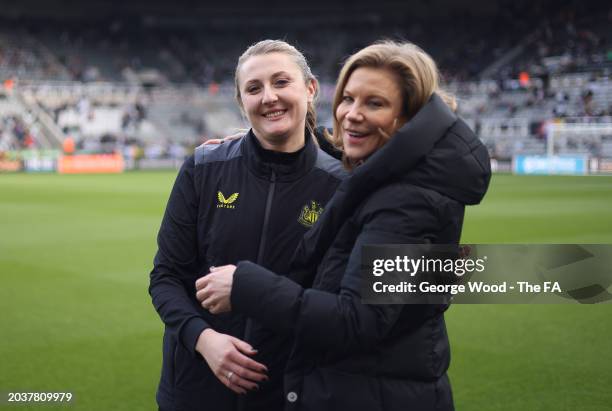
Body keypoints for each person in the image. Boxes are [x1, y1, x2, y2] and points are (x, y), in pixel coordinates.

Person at [195, 41, 491, 411]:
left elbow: (357, 320)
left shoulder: (404, 201)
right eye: (348, 98)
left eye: (375, 103)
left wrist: (245, 284)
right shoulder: (390, 176)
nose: (351, 114)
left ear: (408, 116)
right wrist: (263, 139)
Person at [149, 40, 346, 411]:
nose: (268, 97)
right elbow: (165, 277)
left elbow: (347, 306)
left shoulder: (341, 186)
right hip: (194, 391)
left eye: (281, 82)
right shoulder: (204, 168)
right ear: (241, 103)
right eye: (254, 88)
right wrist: (204, 339)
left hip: (288, 392)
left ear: (310, 89)